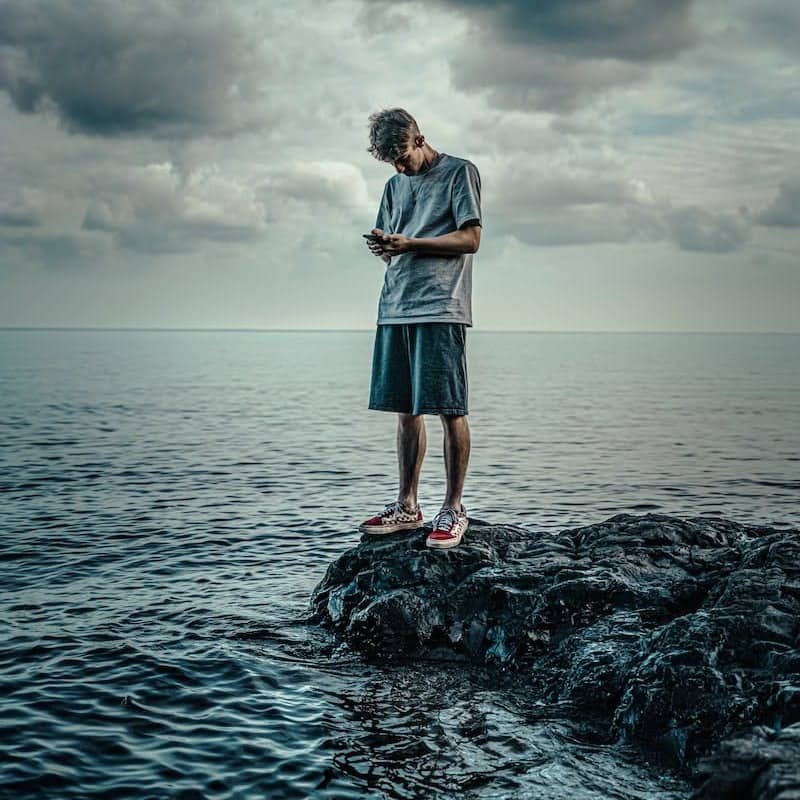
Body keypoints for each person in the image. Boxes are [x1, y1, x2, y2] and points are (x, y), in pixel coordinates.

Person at [358, 108, 482, 549]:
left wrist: (411, 243)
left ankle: (454, 507)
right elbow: (394, 245)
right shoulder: (394, 185)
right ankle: (408, 506)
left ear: (420, 139)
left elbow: (471, 239)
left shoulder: (459, 173)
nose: (398, 168)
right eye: (390, 161)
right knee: (406, 410)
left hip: (441, 306)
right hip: (396, 305)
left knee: (450, 408)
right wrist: (386, 246)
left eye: (402, 158)